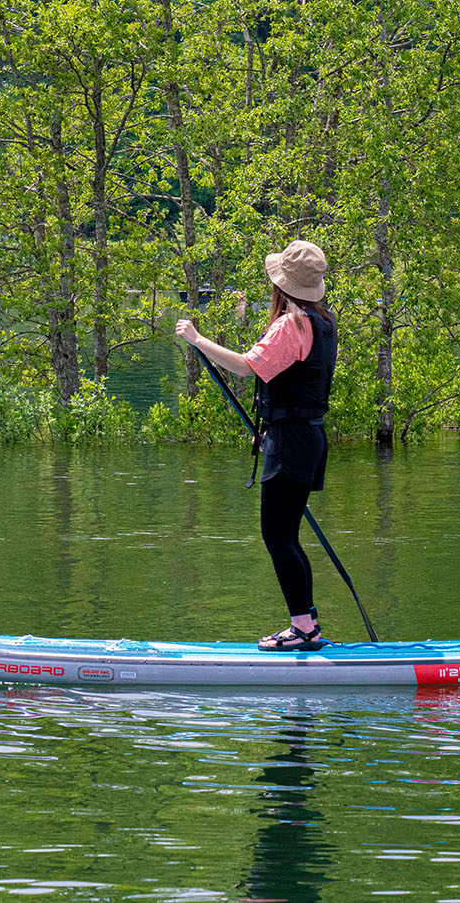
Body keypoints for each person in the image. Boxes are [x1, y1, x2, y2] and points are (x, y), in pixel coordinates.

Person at [176, 239, 339, 650]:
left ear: (283, 285)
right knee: (287, 536)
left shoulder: (292, 323)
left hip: (295, 442)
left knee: (278, 537)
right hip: (304, 437)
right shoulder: (323, 320)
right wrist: (275, 428)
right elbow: (301, 386)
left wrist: (197, 339)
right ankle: (308, 625)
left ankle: (304, 629)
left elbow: (248, 367)